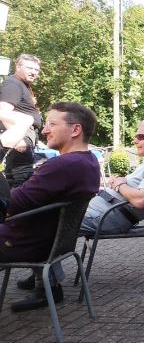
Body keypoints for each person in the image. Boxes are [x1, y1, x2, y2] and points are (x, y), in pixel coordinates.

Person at [0, 102, 100, 312]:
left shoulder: (63, 165)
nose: (44, 130)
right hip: (53, 243)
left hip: (23, 243)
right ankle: (48, 287)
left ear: (75, 130)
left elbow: (11, 204)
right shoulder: (89, 161)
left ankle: (47, 286)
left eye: (52, 124)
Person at [79, 119, 144, 236]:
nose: (135, 141)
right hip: (102, 212)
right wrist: (122, 180)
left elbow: (141, 200)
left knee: (59, 222)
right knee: (59, 215)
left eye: (140, 137)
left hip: (106, 216)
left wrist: (120, 185)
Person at [0, 54, 43, 187]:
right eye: (29, 68)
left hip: (24, 136)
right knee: (22, 179)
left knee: (14, 180)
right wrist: (18, 139)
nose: (33, 72)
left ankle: (9, 200)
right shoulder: (13, 84)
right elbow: (3, 112)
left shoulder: (22, 85)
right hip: (19, 137)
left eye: (36, 70)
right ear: (18, 67)